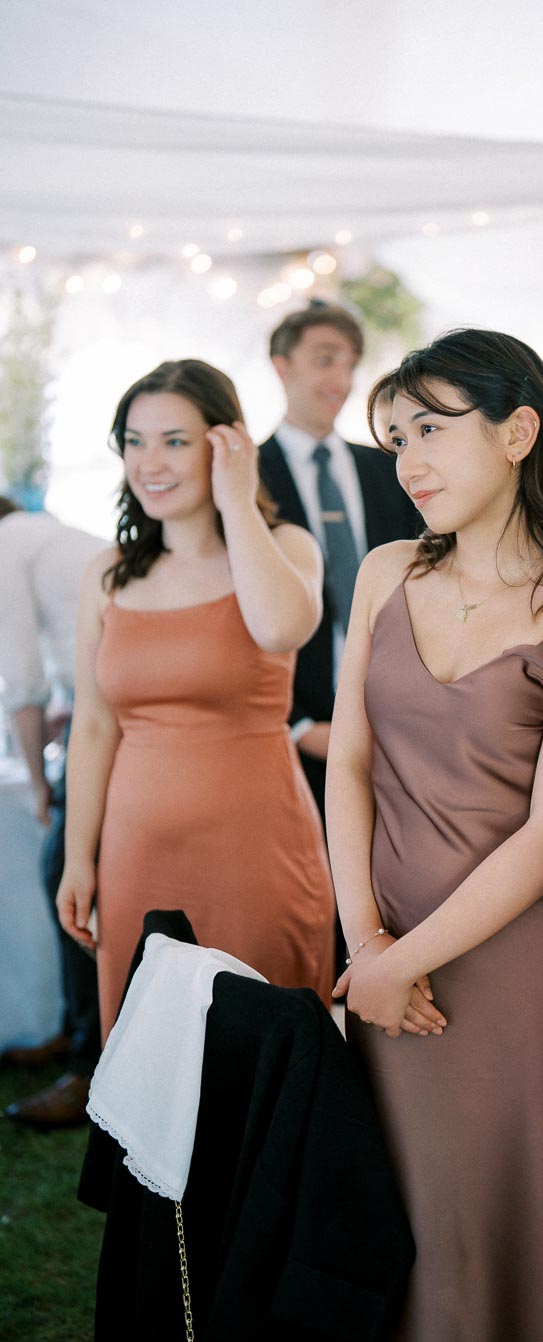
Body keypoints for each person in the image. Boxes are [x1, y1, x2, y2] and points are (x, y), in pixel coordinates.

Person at [327, 328, 543, 1342]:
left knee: (516, 1230)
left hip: (511, 976)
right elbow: (350, 766)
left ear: (518, 432)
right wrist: (365, 946)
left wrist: (399, 959)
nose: (407, 460)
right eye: (394, 435)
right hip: (382, 959)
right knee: (404, 1224)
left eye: (431, 430)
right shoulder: (381, 574)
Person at [56, 359, 335, 1039]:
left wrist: (236, 502)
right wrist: (77, 857)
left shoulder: (286, 546)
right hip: (136, 855)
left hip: (256, 852)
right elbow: (94, 728)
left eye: (175, 441)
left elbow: (280, 628)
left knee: (261, 1053)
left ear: (225, 443)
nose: (150, 461)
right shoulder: (108, 574)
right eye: (135, 440)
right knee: (152, 1061)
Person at [258, 302, 419, 824]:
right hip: (289, 733)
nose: (341, 379)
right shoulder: (247, 479)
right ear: (282, 366)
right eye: (325, 360)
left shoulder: (389, 470)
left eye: (350, 364)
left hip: (396, 726)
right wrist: (299, 723)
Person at [0, 498, 104, 1127]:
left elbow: (23, 681)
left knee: (63, 877)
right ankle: (79, 1036)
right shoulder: (53, 532)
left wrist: (40, 783)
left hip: (108, 733)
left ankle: (88, 1063)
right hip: (106, 712)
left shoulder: (9, 547)